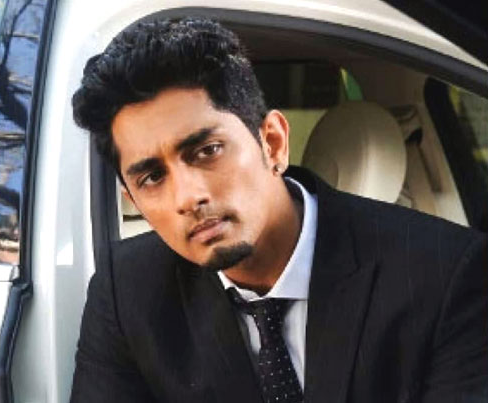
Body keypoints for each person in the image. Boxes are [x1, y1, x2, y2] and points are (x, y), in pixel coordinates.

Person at [70, 18, 488, 403]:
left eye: (208, 151)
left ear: (272, 143)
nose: (188, 197)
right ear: (133, 198)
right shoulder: (128, 290)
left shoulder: (445, 273)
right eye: (152, 178)